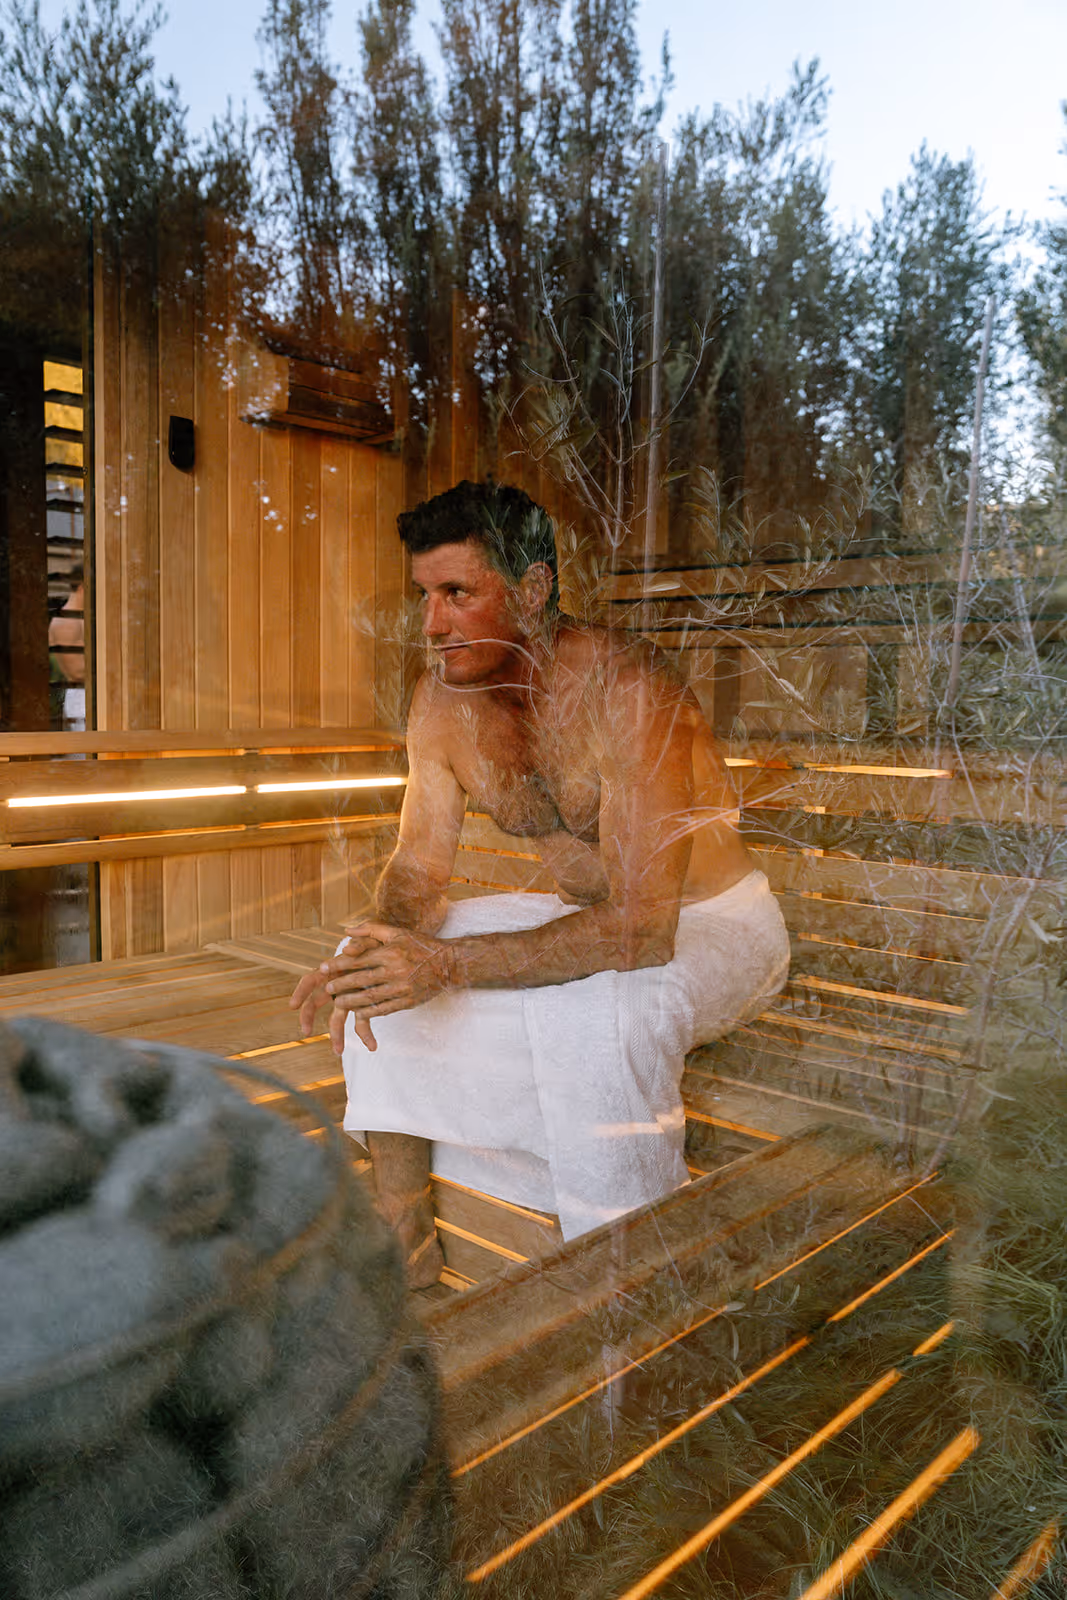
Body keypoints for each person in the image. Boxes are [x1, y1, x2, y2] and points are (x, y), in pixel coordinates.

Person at [291, 481, 789, 1284]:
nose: (432, 624)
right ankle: (402, 1221)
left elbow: (641, 931)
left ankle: (625, 1263)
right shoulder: (442, 703)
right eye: (423, 596)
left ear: (531, 588)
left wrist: (446, 965)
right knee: (373, 952)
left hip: (714, 929)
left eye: (458, 593)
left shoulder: (628, 691)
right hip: (589, 914)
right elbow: (419, 870)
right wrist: (379, 944)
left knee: (602, 1012)